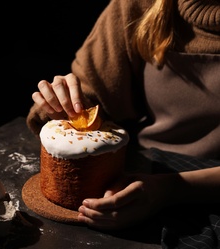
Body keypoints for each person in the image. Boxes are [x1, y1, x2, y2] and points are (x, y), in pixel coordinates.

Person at [26, 0, 220, 231]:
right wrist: (64, 107)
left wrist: (170, 189)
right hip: (141, 175)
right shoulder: (140, 5)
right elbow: (94, 93)